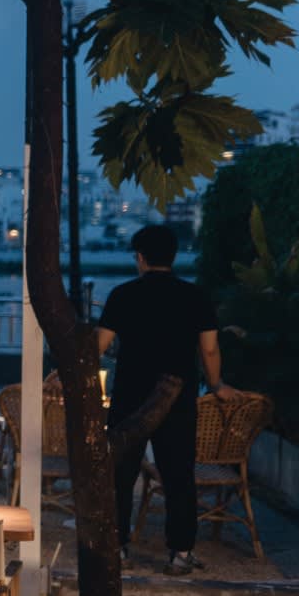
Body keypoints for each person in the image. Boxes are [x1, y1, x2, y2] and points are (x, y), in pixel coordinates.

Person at [96, 224, 240, 576]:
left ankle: (117, 547)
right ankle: (180, 552)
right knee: (178, 475)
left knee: (121, 473)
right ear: (173, 257)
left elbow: (98, 345)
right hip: (177, 396)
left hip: (131, 396)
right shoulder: (195, 296)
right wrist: (216, 384)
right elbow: (209, 349)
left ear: (140, 258)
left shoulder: (123, 295)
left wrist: (68, 373)